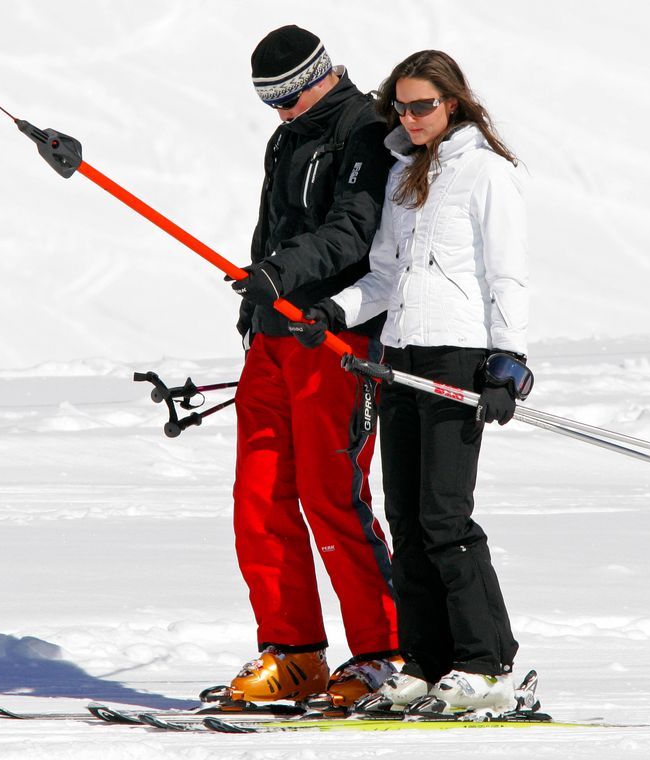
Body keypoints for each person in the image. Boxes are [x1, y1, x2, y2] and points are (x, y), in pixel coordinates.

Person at [288, 49, 529, 713]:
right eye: (401, 105)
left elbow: (507, 275)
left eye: (423, 104)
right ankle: (425, 661)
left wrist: (508, 359)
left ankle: (486, 664)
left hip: (457, 357)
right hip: (398, 355)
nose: (411, 117)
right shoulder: (403, 176)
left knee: (445, 518)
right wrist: (332, 312)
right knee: (405, 517)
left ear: (452, 101)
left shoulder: (487, 174)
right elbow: (385, 277)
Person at [223, 25, 399, 707]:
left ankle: (384, 651)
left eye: (289, 99)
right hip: (276, 338)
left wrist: (283, 274)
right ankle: (294, 650)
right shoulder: (286, 137)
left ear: (318, 77)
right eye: (272, 104)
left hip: (337, 339)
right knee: (259, 495)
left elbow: (353, 230)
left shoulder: (366, 130)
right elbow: (274, 226)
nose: (282, 113)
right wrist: (257, 300)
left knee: (332, 495)